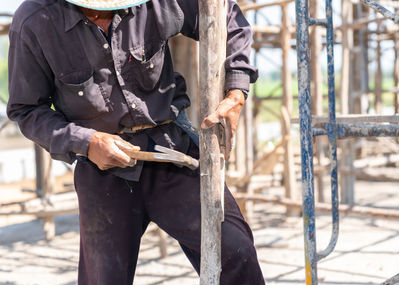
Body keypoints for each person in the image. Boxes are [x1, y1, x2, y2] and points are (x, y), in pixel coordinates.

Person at [7, 0, 265, 284]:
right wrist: (87, 142)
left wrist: (236, 90)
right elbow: (27, 110)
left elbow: (225, 14)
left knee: (236, 252)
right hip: (101, 168)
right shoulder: (35, 20)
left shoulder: (157, 3)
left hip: (171, 149)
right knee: (103, 278)